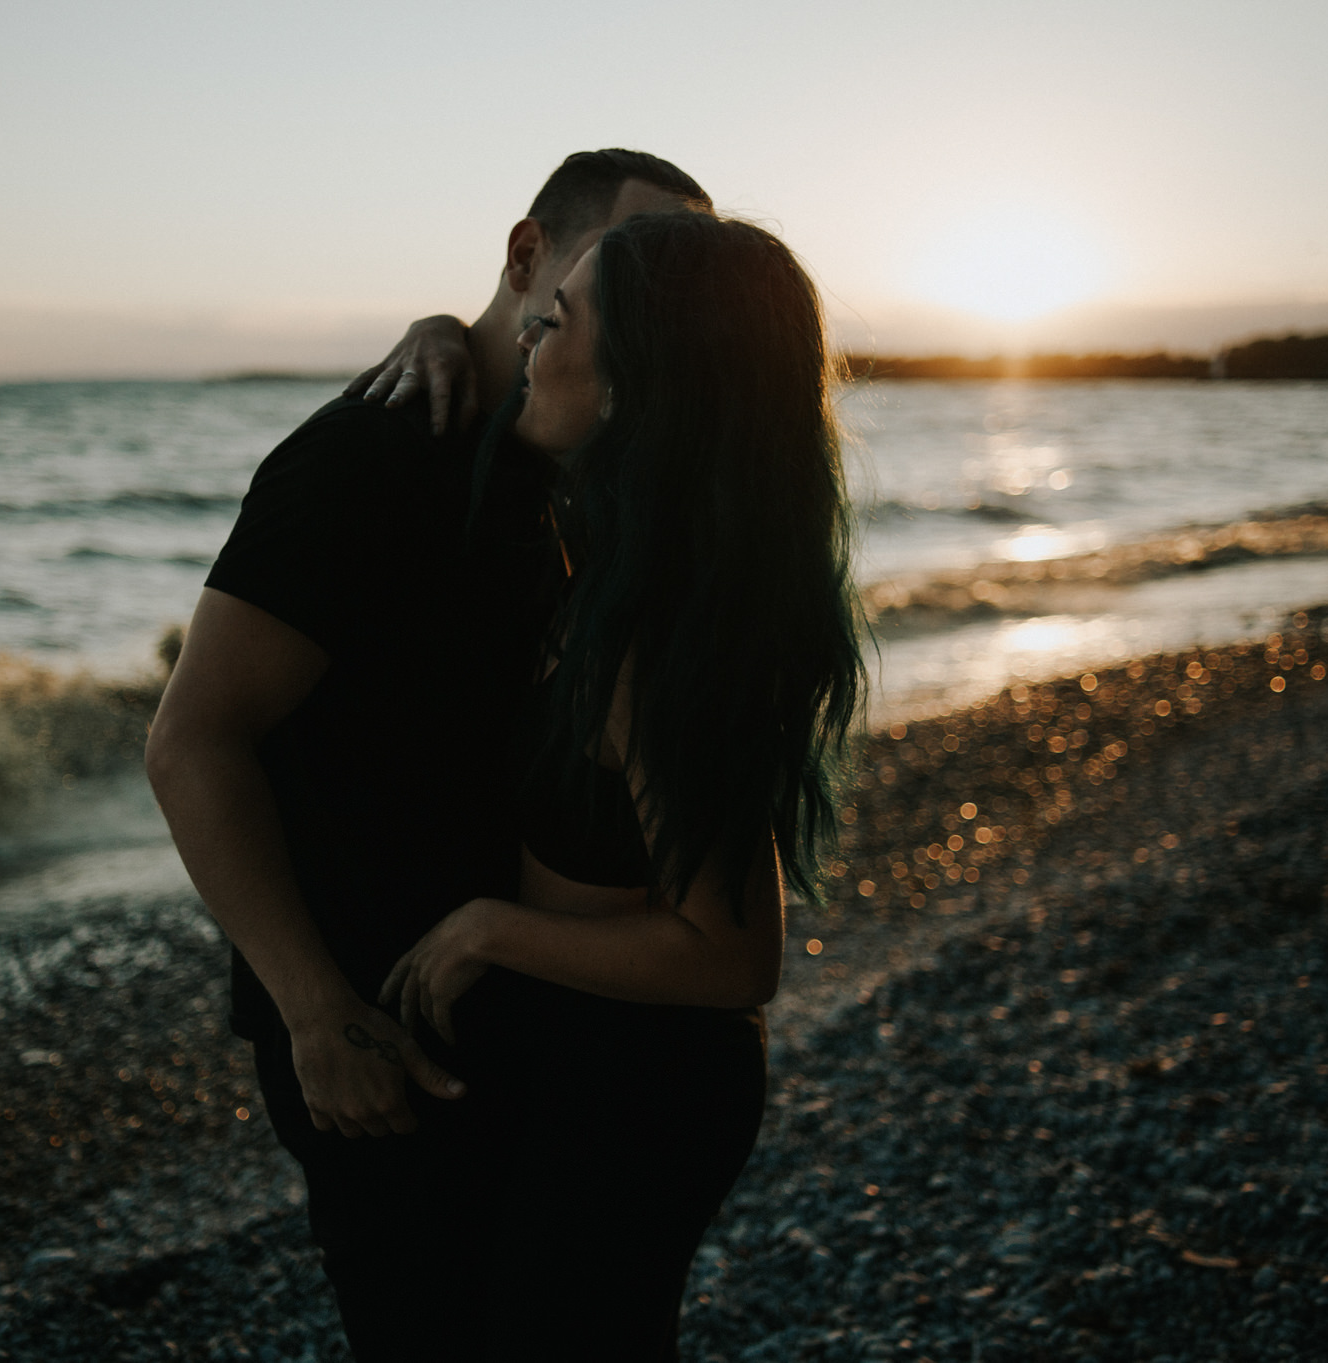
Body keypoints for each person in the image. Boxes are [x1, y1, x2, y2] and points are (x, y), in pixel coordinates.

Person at [145, 150, 715, 1362]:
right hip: (379, 1027)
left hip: (521, 1010)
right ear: (526, 258)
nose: (656, 303)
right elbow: (193, 738)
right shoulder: (370, 456)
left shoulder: (573, 462)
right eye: (629, 268)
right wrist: (312, 1010)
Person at [375, 210, 864, 1360]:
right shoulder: (645, 560)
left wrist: (489, 929)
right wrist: (437, 330)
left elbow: (732, 954)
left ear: (646, 376)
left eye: (556, 323)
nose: (530, 343)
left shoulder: (652, 631)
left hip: (635, 1090)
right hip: (602, 1067)